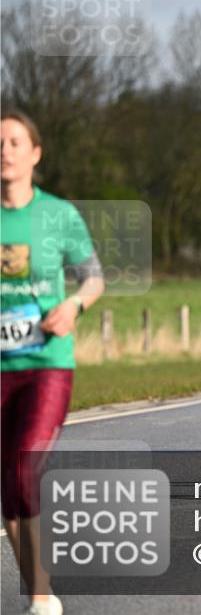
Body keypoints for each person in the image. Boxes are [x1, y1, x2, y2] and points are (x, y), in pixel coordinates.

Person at [2, 111, 105, 615]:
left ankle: (41, 599)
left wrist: (74, 306)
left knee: (23, 470)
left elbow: (93, 277)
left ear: (35, 154)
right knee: (9, 490)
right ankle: (39, 590)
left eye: (14, 142)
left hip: (46, 363)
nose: (5, 150)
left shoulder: (59, 215)